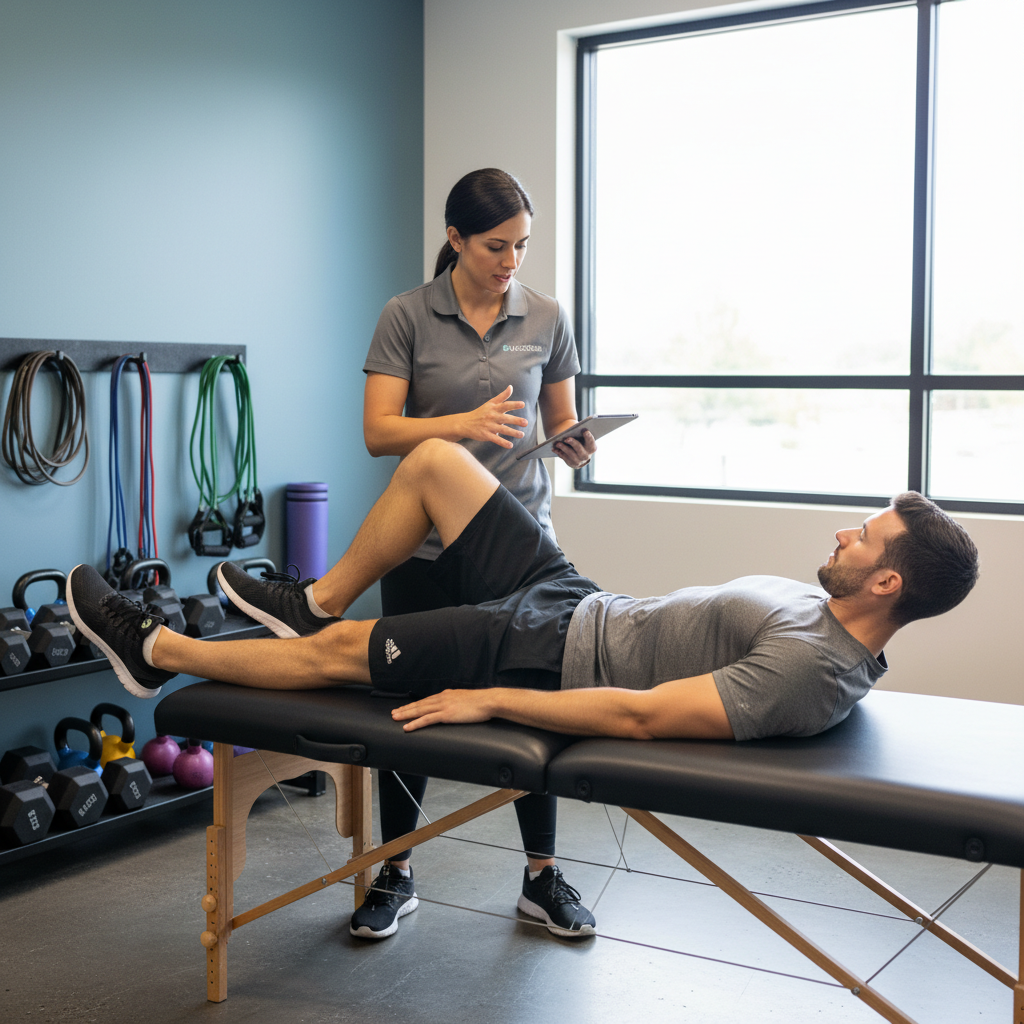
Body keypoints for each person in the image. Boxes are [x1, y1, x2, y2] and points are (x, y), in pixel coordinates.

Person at [66, 440, 979, 934]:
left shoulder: (809, 671)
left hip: (545, 653)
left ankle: (158, 650)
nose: (844, 534)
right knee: (434, 462)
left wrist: (494, 699)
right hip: (576, 600)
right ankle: (311, 600)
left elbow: (641, 716)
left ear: (887, 582)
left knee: (340, 657)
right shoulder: (831, 620)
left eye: (863, 537)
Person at [359, 167, 597, 940]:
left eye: (522, 245)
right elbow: (379, 432)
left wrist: (574, 443)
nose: (511, 261)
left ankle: (542, 877)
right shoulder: (406, 315)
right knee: (406, 709)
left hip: (519, 550)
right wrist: (458, 425)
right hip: (422, 550)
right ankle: (394, 871)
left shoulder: (548, 316)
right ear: (455, 238)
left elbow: (558, 421)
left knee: (529, 700)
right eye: (497, 246)